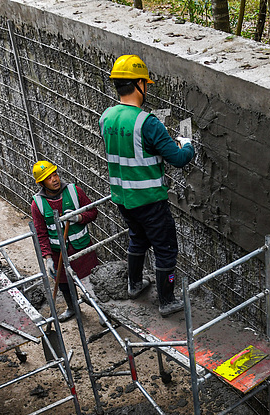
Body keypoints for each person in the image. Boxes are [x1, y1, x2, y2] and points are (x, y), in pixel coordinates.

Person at [99, 55, 195, 317]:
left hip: (122, 198)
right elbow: (177, 159)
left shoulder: (106, 117)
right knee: (165, 249)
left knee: (137, 239)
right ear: (140, 83)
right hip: (150, 200)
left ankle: (134, 285)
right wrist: (187, 145)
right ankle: (166, 301)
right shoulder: (147, 122)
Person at [30, 160, 99, 322]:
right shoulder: (37, 204)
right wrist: (47, 257)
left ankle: (102, 310)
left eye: (55, 175)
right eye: (49, 178)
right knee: (64, 283)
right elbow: (41, 233)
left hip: (82, 249)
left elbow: (93, 212)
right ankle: (73, 308)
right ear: (41, 183)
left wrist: (79, 217)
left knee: (91, 282)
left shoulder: (75, 191)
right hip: (57, 253)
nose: (54, 179)